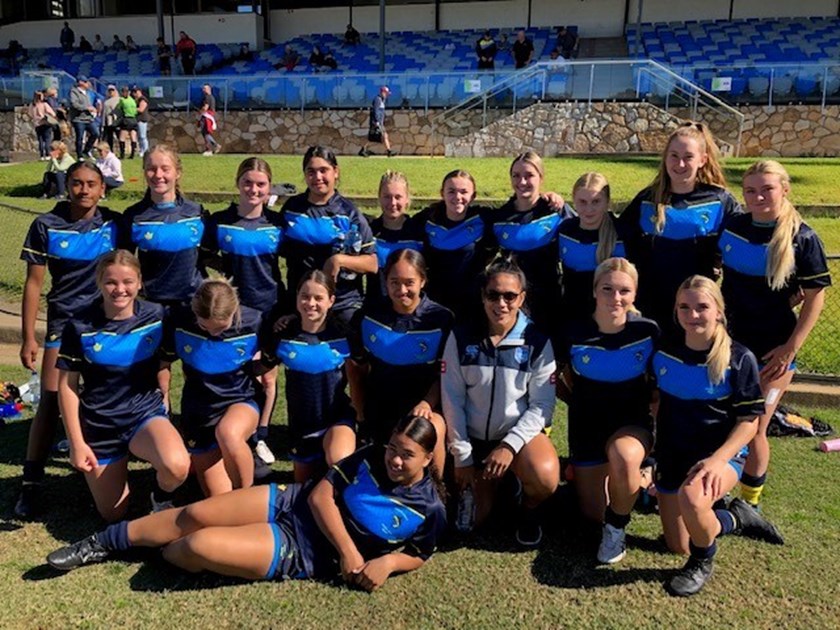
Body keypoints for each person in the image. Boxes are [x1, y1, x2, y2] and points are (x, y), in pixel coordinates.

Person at [46, 415, 446, 592]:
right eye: (393, 448)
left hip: (304, 551)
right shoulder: (370, 455)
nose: (395, 460)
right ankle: (100, 543)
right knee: (195, 513)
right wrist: (349, 551)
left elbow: (419, 553)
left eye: (407, 455)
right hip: (293, 503)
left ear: (428, 459)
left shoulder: (428, 508)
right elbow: (321, 495)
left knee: (197, 544)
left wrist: (387, 563)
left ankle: (158, 549)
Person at [654, 275, 784, 597]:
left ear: (719, 311)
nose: (693, 314)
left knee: (692, 499)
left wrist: (716, 460)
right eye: (684, 307)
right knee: (678, 544)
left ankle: (701, 562)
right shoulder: (664, 353)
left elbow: (749, 423)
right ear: (676, 311)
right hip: (674, 455)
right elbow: (656, 405)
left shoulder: (739, 358)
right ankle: (737, 517)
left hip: (721, 456)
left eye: (702, 307)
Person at [719, 160, 830, 509]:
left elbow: (815, 298)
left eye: (767, 189)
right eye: (750, 191)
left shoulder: (803, 238)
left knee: (755, 426)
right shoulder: (733, 227)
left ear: (785, 189)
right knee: (724, 422)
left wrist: (789, 349)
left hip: (774, 351)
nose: (758, 197)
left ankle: (750, 504)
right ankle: (717, 492)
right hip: (729, 345)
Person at [15, 161, 122, 518]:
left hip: (105, 324)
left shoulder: (116, 224)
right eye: (77, 183)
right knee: (50, 398)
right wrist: (28, 337)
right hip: (63, 324)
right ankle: (31, 483)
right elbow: (34, 284)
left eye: (91, 183)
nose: (84, 190)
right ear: (67, 186)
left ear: (102, 188)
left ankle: (100, 469)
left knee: (103, 395)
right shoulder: (46, 224)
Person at [56, 250, 190, 519]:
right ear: (99, 282)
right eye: (111, 282)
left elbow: (165, 361)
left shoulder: (157, 316)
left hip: (143, 414)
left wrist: (164, 394)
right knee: (113, 514)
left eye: (128, 281)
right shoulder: (79, 326)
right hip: (101, 423)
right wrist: (76, 443)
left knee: (177, 466)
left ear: (139, 282)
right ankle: (110, 470)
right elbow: (67, 387)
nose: (120, 289)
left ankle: (160, 497)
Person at [442, 259, 558, 547]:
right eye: (493, 295)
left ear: (522, 298)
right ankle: (501, 484)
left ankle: (528, 509)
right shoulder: (460, 336)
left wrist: (509, 446)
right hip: (472, 441)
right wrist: (463, 456)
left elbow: (542, 406)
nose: (501, 303)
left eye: (510, 296)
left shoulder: (538, 341)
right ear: (483, 296)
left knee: (544, 476)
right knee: (471, 522)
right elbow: (452, 398)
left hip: (513, 441)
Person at [555, 258, 657, 562]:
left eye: (624, 291)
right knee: (591, 516)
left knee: (623, 457)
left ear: (635, 294)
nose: (616, 297)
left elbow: (659, 386)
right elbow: (556, 378)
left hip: (632, 425)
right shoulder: (574, 332)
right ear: (594, 290)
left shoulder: (648, 332)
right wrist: (577, 401)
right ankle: (639, 482)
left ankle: (617, 528)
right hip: (586, 427)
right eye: (607, 289)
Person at [616, 121, 740, 334]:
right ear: (665, 157)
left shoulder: (719, 200)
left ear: (702, 160)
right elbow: (616, 237)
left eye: (688, 157)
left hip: (695, 310)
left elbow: (748, 238)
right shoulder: (647, 200)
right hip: (650, 305)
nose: (680, 164)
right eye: (674, 155)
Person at [202, 157, 285, 467]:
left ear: (269, 188)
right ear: (238, 183)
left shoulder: (277, 224)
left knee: (267, 374)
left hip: (269, 307)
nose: (254, 189)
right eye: (248, 182)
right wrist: (224, 274)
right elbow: (203, 255)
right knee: (236, 370)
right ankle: (232, 429)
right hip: (233, 311)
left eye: (261, 184)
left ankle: (261, 435)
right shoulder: (220, 221)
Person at [348, 250, 451, 475]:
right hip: (378, 408)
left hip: (420, 411)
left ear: (423, 281)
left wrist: (427, 403)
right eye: (394, 282)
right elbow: (356, 369)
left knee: (434, 425)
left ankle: (436, 489)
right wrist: (361, 413)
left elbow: (445, 374)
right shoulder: (368, 316)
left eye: (409, 282)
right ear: (385, 281)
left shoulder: (441, 320)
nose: (402, 290)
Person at [161, 278, 263, 496]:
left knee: (228, 433)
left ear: (234, 310)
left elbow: (271, 358)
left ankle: (248, 498)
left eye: (221, 327)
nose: (213, 333)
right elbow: (163, 363)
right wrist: (163, 401)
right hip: (198, 411)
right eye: (204, 326)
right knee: (219, 500)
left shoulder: (255, 321)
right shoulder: (178, 320)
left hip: (240, 400)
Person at [260, 271, 356, 482]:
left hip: (336, 420)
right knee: (303, 487)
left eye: (318, 298)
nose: (311, 303)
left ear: (331, 301)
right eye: (305, 296)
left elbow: (361, 372)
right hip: (301, 427)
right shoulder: (283, 335)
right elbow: (261, 370)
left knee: (339, 465)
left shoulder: (344, 335)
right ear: (297, 298)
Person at [279, 146, 377, 326]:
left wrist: (339, 260)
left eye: (323, 170)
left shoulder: (349, 213)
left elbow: (372, 263)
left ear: (335, 172)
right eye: (311, 172)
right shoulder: (292, 209)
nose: (317, 177)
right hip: (302, 303)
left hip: (342, 303)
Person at [485, 152, 574, 331]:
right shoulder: (499, 218)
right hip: (512, 304)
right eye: (516, 176)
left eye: (529, 175)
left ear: (541, 177)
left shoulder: (557, 212)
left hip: (549, 301)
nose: (522, 181)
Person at [123, 144, 206, 307]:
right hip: (152, 305)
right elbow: (124, 263)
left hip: (193, 304)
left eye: (165, 169)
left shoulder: (197, 213)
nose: (158, 175)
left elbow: (209, 255)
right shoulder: (134, 216)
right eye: (151, 169)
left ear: (178, 173)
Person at [413, 170, 488, 318]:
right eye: (451, 191)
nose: (457, 197)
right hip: (435, 301)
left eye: (464, 192)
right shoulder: (427, 220)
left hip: (471, 303)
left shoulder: (484, 219)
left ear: (473, 196)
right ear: (442, 193)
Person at [557, 172, 626, 326]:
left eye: (596, 201)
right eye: (582, 202)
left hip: (612, 317)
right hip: (573, 314)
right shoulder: (565, 231)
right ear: (573, 201)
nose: (589, 209)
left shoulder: (622, 233)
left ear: (607, 202)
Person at [364, 171, 424, 308]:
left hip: (411, 309)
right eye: (387, 197)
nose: (392, 203)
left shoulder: (419, 232)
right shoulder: (369, 231)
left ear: (407, 199)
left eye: (398, 197)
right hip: (376, 308)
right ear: (379, 197)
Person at [68, 75, 99, 158]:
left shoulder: (87, 93)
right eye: (85, 82)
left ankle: (86, 150)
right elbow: (74, 104)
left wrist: (93, 109)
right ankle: (80, 155)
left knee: (95, 133)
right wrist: (86, 108)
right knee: (80, 137)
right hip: (78, 119)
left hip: (88, 119)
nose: (87, 84)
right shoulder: (74, 92)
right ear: (80, 83)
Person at [359, 86, 392, 157]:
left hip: (380, 122)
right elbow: (375, 111)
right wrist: (377, 121)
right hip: (376, 122)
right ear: (382, 92)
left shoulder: (382, 100)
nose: (387, 95)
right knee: (376, 137)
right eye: (386, 93)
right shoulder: (377, 100)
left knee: (380, 136)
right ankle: (389, 151)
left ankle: (389, 151)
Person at [29, 91, 58, 160]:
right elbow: (52, 113)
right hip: (45, 123)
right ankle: (47, 154)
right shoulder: (44, 104)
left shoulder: (32, 105)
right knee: (47, 139)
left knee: (40, 140)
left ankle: (42, 155)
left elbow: (30, 114)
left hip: (37, 124)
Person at [198, 84, 221, 156]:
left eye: (205, 88)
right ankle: (210, 148)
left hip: (206, 116)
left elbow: (205, 107)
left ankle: (211, 148)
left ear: (209, 89)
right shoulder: (212, 97)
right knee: (206, 133)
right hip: (209, 116)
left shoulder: (207, 97)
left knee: (205, 133)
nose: (203, 90)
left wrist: (200, 111)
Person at [116, 86, 138, 160]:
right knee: (133, 137)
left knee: (122, 138)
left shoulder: (122, 100)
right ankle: (132, 154)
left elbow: (119, 108)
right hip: (134, 119)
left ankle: (122, 155)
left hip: (127, 119)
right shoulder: (132, 100)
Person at [132, 86, 150, 158]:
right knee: (139, 137)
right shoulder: (135, 100)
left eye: (136, 92)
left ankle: (146, 151)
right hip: (137, 119)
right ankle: (141, 150)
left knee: (143, 136)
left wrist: (131, 108)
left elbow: (141, 109)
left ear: (140, 91)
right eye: (134, 92)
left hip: (142, 119)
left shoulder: (143, 99)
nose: (135, 93)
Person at [101, 85, 121, 150]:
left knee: (119, 135)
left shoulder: (118, 99)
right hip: (107, 121)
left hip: (115, 120)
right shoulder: (105, 100)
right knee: (109, 137)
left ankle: (121, 150)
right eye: (109, 90)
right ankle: (110, 150)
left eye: (112, 90)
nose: (111, 92)